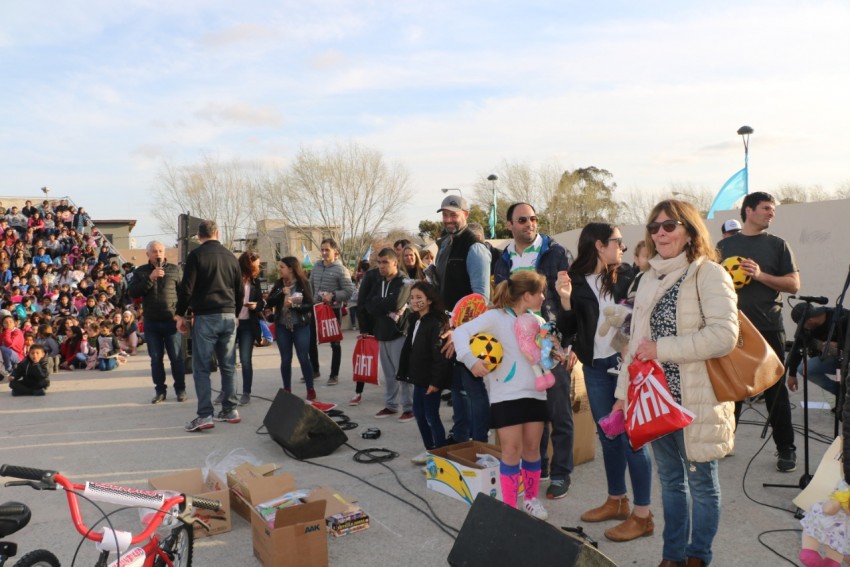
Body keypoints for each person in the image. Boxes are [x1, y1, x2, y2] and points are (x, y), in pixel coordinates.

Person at [611, 199, 737, 566]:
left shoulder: (709, 274)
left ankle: (698, 556)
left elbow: (724, 336)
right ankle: (672, 556)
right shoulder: (649, 277)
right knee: (670, 483)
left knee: (700, 484)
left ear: (689, 230)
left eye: (670, 226)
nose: (661, 233)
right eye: (654, 227)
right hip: (655, 401)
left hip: (695, 400)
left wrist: (662, 348)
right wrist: (623, 395)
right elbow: (635, 346)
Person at [555, 222, 653, 543]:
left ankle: (643, 513)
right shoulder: (576, 281)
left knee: (633, 440)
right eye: (617, 242)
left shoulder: (627, 276)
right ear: (599, 245)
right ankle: (616, 500)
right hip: (596, 368)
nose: (622, 248)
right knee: (609, 436)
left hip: (628, 367)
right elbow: (568, 328)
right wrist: (566, 299)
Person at [493, 202, 575, 500]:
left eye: (533, 218)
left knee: (559, 413)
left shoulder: (556, 253)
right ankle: (535, 469)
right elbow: (500, 302)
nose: (530, 223)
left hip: (550, 345)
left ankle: (562, 473)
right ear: (510, 225)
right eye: (523, 219)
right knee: (532, 414)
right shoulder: (503, 259)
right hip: (518, 350)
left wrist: (568, 342)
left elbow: (568, 301)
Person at [453, 270, 551, 520]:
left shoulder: (537, 321)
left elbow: (544, 359)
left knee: (532, 449)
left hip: (536, 395)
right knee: (511, 450)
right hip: (506, 395)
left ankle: (530, 499)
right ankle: (509, 506)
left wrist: (554, 355)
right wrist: (471, 361)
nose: (543, 297)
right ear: (527, 295)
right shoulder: (495, 317)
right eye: (540, 292)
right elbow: (460, 333)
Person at [717, 191, 800, 472]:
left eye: (773, 209)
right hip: (733, 327)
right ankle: (725, 440)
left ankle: (786, 450)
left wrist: (760, 275)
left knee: (775, 390)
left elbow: (793, 285)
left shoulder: (778, 245)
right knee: (732, 386)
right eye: (766, 208)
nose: (771, 213)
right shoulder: (723, 248)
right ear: (749, 211)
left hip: (768, 325)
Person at [175, 219, 243, 432]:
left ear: (198, 235)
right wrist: (236, 312)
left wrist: (179, 315)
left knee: (202, 367)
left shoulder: (196, 256)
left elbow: (186, 289)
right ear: (218, 233)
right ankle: (230, 409)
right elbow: (239, 289)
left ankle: (205, 415)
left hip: (206, 316)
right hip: (229, 314)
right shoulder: (231, 257)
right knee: (228, 364)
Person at [433, 194, 492, 443]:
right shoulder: (445, 245)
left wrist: (459, 333)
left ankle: (479, 442)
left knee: (473, 391)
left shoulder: (475, 248)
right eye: (445, 214)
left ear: (465, 215)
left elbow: (480, 299)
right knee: (457, 389)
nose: (448, 219)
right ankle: (460, 437)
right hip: (450, 327)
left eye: (453, 214)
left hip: (468, 331)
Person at [398, 281, 451, 463]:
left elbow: (439, 357)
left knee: (431, 416)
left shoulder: (436, 323)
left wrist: (435, 382)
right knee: (419, 414)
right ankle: (430, 449)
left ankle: (441, 454)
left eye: (419, 298)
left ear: (429, 300)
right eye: (412, 297)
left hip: (429, 380)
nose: (414, 301)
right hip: (418, 378)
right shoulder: (415, 320)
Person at [128, 241, 187, 404]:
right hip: (151, 323)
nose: (158, 254)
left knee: (176, 358)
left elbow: (184, 295)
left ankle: (180, 389)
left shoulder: (175, 270)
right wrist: (150, 278)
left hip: (171, 321)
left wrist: (182, 316)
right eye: (154, 251)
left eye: (160, 250)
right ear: (148, 254)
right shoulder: (140, 272)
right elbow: (133, 292)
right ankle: (160, 391)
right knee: (155, 359)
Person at [363, 248, 414, 421]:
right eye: (379, 262)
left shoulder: (404, 282)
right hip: (381, 333)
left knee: (403, 373)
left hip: (399, 332)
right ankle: (391, 406)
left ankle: (409, 407)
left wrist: (381, 305)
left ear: (395, 262)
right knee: (388, 374)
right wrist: (383, 306)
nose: (381, 266)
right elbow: (368, 305)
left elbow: (397, 302)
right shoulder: (378, 282)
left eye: (385, 262)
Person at [266, 257, 316, 400]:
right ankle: (287, 387)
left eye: (282, 267)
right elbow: (269, 302)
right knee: (286, 359)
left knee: (303, 358)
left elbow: (309, 304)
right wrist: (281, 293)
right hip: (282, 326)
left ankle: (310, 388)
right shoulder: (278, 284)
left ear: (291, 268)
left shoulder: (303, 283)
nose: (279, 270)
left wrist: (293, 305)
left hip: (300, 325)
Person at [308, 238, 355, 386]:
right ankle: (314, 370)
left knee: (335, 343)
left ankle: (334, 374)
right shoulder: (316, 266)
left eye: (327, 249)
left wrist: (333, 295)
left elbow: (349, 291)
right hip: (316, 309)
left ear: (335, 251)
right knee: (310, 341)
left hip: (332, 310)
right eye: (322, 249)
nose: (324, 252)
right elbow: (310, 286)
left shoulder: (341, 270)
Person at [786, 303, 849, 399]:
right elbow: (798, 348)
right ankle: (840, 395)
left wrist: (840, 345)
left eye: (804, 325)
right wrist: (792, 374)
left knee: (843, 377)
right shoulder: (806, 327)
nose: (803, 328)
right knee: (805, 369)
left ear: (810, 320)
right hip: (836, 361)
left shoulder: (843, 317)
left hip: (848, 361)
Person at [234, 252, 265, 406]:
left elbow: (261, 302)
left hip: (247, 324)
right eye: (256, 265)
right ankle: (228, 392)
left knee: (246, 360)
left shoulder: (255, 282)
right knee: (227, 360)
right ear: (247, 264)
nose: (258, 268)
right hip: (232, 323)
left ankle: (246, 392)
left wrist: (256, 306)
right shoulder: (233, 279)